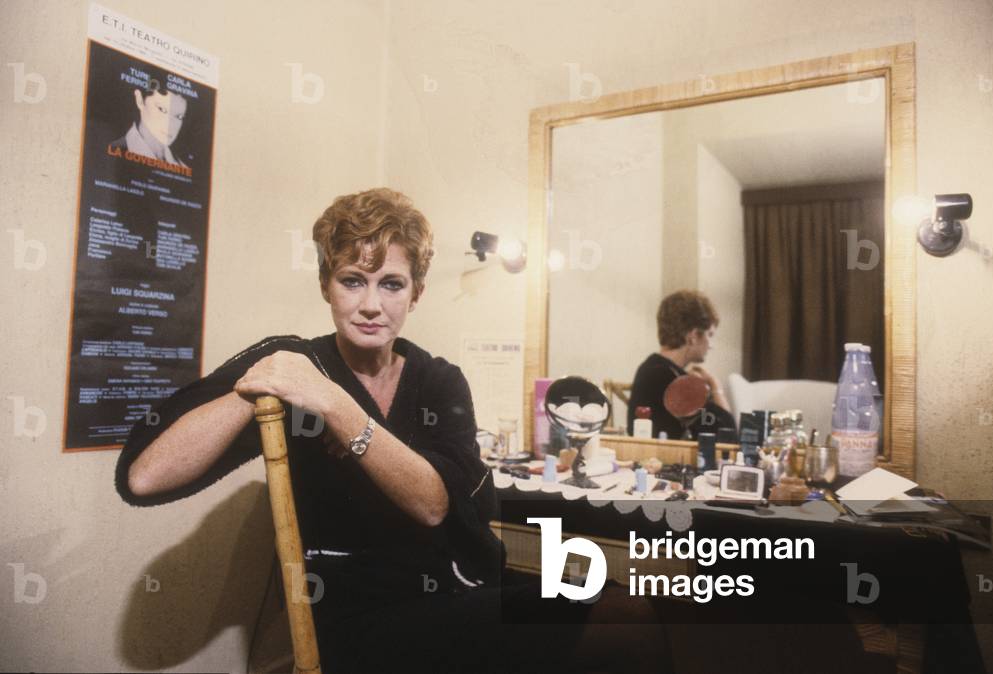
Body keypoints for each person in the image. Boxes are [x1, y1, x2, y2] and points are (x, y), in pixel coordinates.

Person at [115, 188, 672, 674]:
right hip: (360, 622)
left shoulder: (438, 380)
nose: (371, 306)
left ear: (417, 293)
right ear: (326, 286)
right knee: (623, 623)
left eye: (392, 284)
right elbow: (144, 477)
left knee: (625, 604)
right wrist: (258, 381)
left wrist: (333, 403)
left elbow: (434, 504)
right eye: (352, 281)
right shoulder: (296, 365)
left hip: (465, 591)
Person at [627, 290, 736, 440]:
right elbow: (728, 434)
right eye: (709, 334)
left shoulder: (653, 368)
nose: (711, 345)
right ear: (693, 336)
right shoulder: (669, 377)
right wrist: (716, 387)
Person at [109, 75, 188, 166]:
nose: (170, 125)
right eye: (162, 109)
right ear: (140, 100)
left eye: (179, 116)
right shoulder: (114, 152)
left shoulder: (182, 165)